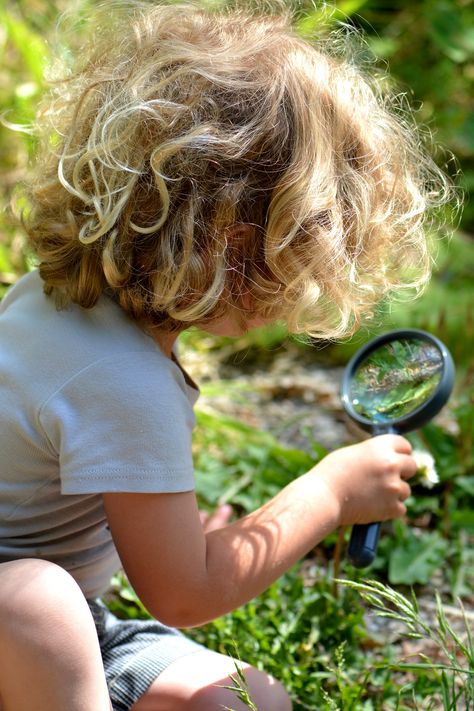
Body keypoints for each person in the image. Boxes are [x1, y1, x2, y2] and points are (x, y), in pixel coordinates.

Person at [0, 2, 453, 709]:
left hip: (51, 638)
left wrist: (181, 539)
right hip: (26, 624)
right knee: (38, 604)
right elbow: (187, 592)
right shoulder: (126, 380)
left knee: (246, 700)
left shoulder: (53, 298)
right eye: (298, 255)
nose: (303, 286)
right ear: (227, 245)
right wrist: (331, 492)